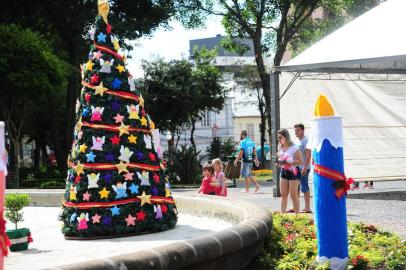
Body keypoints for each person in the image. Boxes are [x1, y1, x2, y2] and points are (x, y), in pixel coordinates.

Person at [277, 129, 303, 213]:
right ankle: (282, 216)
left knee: (293, 195)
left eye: (280, 137)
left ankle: (297, 217)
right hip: (284, 171)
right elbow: (281, 159)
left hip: (293, 173)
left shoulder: (294, 147)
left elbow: (300, 161)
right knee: (283, 195)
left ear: (286, 137)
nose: (279, 139)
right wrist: (279, 163)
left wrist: (288, 161)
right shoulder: (280, 147)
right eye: (278, 138)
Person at [294, 123, 312, 213]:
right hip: (297, 167)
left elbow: (308, 155)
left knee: (304, 187)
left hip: (304, 168)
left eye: (298, 130)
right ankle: (296, 206)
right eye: (295, 130)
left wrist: (305, 168)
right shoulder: (297, 141)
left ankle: (307, 207)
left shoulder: (306, 140)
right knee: (296, 187)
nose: (296, 132)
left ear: (303, 130)